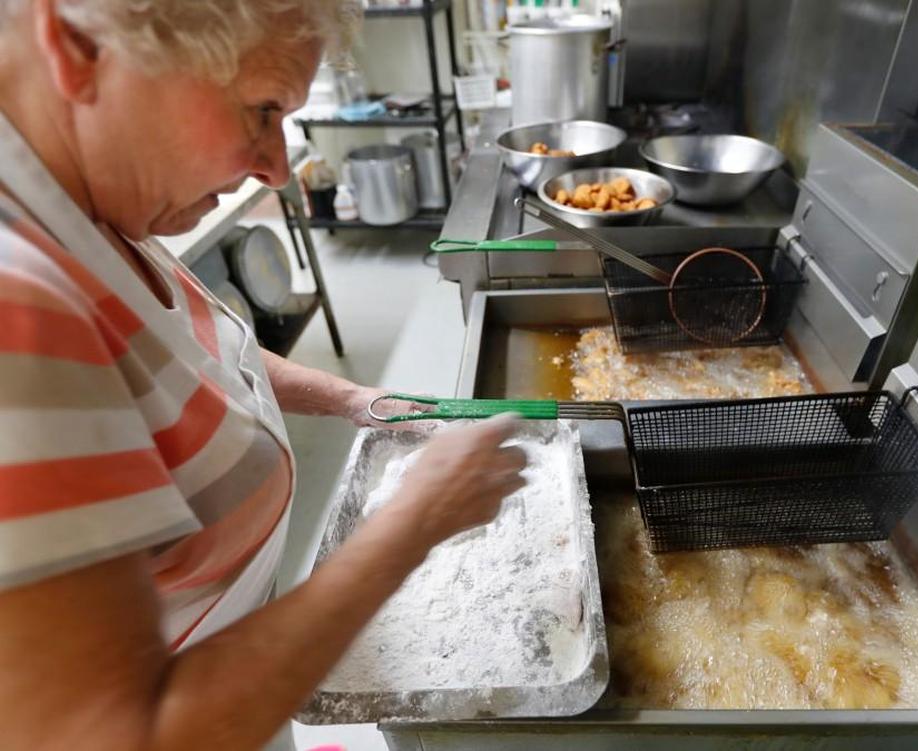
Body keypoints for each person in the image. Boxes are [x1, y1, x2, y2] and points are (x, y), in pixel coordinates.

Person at [0, 1, 526, 748]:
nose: (277, 168)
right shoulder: (17, 308)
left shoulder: (86, 198)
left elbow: (191, 362)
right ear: (78, 47)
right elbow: (122, 734)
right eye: (263, 108)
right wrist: (416, 519)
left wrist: (351, 397)